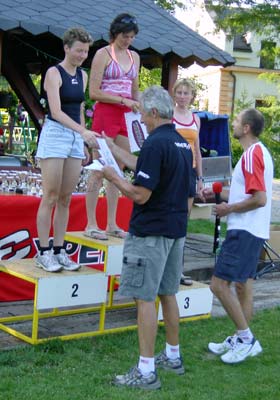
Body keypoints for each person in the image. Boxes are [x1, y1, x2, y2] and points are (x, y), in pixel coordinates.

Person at [101, 85, 193, 390]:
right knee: (168, 293)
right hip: (175, 231)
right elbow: (149, 170)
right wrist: (112, 149)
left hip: (150, 233)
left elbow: (140, 194)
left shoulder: (154, 144)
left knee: (144, 298)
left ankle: (146, 370)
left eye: (141, 112)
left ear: (153, 112)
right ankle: (174, 356)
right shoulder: (180, 143)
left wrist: (113, 177)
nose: (139, 117)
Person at [204, 108, 273, 364]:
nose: (232, 123)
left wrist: (227, 209)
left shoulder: (251, 155)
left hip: (244, 229)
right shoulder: (258, 152)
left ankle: (246, 340)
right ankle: (240, 337)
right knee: (243, 286)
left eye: (236, 121)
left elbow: (259, 198)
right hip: (253, 229)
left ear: (246, 128)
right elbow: (246, 193)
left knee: (218, 285)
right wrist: (215, 194)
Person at [35, 27, 99, 273]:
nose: (82, 55)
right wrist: (82, 133)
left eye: (86, 51)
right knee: (50, 195)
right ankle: (44, 252)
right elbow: (57, 111)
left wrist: (82, 140)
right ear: (67, 48)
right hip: (55, 134)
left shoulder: (82, 75)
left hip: (74, 137)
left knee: (65, 198)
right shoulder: (54, 73)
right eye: (79, 50)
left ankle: (60, 250)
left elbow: (80, 108)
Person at [84, 13, 140, 241]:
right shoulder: (102, 54)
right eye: (125, 36)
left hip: (126, 115)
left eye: (132, 37)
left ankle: (112, 223)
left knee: (118, 169)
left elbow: (134, 89)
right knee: (99, 166)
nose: (128, 40)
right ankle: (90, 223)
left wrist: (137, 108)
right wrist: (122, 100)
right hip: (107, 112)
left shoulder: (135, 56)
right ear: (115, 33)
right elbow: (94, 92)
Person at [172, 78, 203, 215]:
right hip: (172, 166)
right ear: (174, 94)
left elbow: (197, 150)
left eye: (186, 93)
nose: (182, 96)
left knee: (186, 210)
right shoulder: (169, 114)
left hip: (190, 168)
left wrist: (200, 179)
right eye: (179, 93)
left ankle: (182, 235)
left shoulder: (195, 119)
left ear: (192, 96)